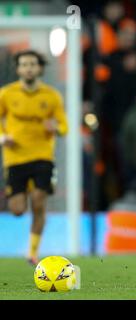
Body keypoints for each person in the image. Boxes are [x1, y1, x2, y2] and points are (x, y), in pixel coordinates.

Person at [0, 50, 68, 265]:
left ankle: (32, 252)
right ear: (18, 69)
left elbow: (64, 126)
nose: (28, 67)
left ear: (39, 68)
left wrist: (55, 127)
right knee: (18, 210)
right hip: (15, 158)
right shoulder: (6, 94)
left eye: (32, 64)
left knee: (39, 203)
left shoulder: (52, 96)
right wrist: (2, 137)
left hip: (42, 156)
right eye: (24, 64)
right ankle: (26, 191)